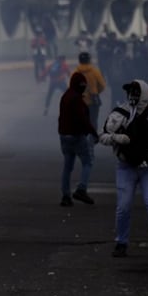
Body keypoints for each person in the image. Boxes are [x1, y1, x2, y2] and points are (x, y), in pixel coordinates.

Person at [99, 79, 148, 258]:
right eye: (131, 92)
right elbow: (103, 136)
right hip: (126, 166)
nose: (133, 96)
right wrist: (116, 138)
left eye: (136, 92)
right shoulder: (119, 113)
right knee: (123, 207)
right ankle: (121, 242)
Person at [58, 71, 100, 206]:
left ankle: (66, 196)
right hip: (77, 136)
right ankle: (81, 189)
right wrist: (94, 133)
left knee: (67, 167)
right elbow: (83, 119)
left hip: (64, 136)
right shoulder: (76, 99)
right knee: (88, 162)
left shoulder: (65, 96)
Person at [74, 52, 107, 131]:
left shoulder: (75, 72)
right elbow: (102, 85)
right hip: (93, 100)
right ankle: (91, 139)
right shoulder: (95, 71)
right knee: (93, 120)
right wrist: (96, 91)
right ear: (89, 60)